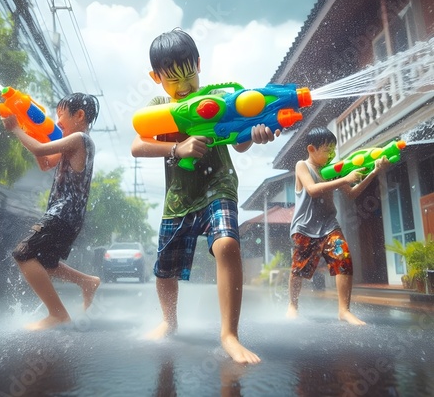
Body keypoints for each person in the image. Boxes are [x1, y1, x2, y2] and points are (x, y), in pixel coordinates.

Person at [131, 28, 279, 364]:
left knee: (227, 243)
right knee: (165, 270)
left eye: (189, 75)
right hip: (179, 199)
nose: (183, 87)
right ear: (156, 78)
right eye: (172, 80)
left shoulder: (219, 103)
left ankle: (229, 334)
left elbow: (239, 140)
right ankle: (168, 322)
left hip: (219, 186)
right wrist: (176, 147)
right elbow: (137, 145)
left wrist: (255, 135)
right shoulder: (158, 108)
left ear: (199, 64)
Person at [1, 92, 101, 331]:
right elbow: (45, 162)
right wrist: (32, 131)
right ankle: (87, 282)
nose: (57, 122)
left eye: (61, 115)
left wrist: (16, 128)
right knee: (45, 262)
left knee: (23, 253)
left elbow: (40, 148)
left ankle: (57, 314)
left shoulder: (79, 139)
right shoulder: (73, 143)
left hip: (64, 213)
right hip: (66, 214)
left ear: (79, 116)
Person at [285, 126, 389, 325]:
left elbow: (352, 193)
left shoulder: (333, 170)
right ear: (311, 149)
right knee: (299, 269)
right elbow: (313, 189)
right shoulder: (302, 166)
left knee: (344, 259)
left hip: (329, 225)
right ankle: (293, 305)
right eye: (327, 150)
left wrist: (373, 173)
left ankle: (344, 311)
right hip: (305, 228)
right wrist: (344, 178)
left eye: (333, 149)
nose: (331, 154)